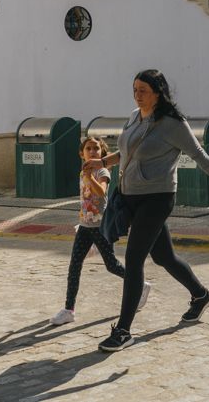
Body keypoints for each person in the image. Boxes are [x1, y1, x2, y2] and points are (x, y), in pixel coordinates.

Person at [87, 69, 209, 353]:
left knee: (134, 257)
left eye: (143, 90)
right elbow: (127, 153)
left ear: (158, 92)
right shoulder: (134, 116)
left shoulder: (172, 123)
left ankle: (124, 330)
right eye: (134, 89)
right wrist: (102, 161)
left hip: (157, 198)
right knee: (164, 255)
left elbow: (197, 153)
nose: (136, 94)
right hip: (129, 196)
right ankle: (200, 295)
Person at [50, 136, 149, 326]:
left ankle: (140, 285)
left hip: (101, 227)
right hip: (85, 227)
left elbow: (101, 192)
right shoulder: (83, 172)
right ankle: (69, 309)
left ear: (102, 153)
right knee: (74, 265)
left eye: (96, 149)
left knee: (111, 265)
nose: (93, 151)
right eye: (88, 148)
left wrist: (89, 177)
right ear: (82, 153)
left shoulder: (102, 171)